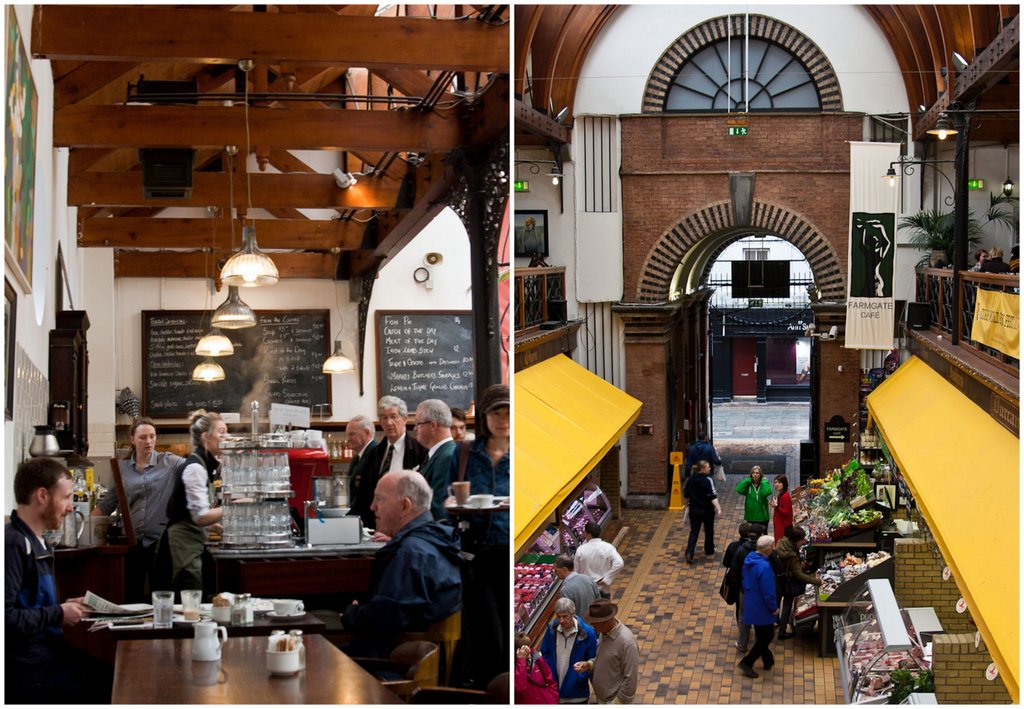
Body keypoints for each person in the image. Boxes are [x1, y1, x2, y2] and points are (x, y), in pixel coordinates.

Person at [5, 457, 113, 704]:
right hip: (30, 671)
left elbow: (30, 607)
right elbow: (6, 618)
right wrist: (58, 614)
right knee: (112, 685)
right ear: (42, 495)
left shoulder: (37, 541)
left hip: (50, 657)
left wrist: (64, 608)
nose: (69, 507)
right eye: (65, 498)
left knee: (115, 675)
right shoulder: (14, 544)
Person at [341, 470, 462, 658]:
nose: (372, 507)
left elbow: (385, 617)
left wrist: (352, 613)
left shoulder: (412, 554)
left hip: (389, 665)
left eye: (379, 500)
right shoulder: (431, 543)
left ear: (405, 506)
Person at [447, 383, 510, 689]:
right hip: (476, 558)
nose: (504, 419)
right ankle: (491, 692)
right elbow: (444, 501)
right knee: (489, 637)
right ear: (483, 417)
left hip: (512, 553)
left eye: (509, 412)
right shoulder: (464, 455)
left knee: (511, 638)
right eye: (496, 412)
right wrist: (457, 506)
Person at [92, 416, 183, 602]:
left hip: (160, 542)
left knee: (162, 595)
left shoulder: (170, 463)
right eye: (143, 437)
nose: (148, 441)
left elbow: (194, 468)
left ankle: (160, 631)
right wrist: (82, 523)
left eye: (152, 436)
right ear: (133, 439)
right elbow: (108, 503)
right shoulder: (120, 468)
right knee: (130, 595)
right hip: (132, 543)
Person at [161, 410, 225, 595]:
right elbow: (200, 516)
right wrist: (234, 507)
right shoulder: (195, 467)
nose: (226, 437)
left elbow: (190, 512)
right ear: (206, 437)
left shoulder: (204, 465)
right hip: (181, 548)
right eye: (221, 432)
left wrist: (215, 527)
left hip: (189, 545)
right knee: (188, 605)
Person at [351, 396, 427, 530]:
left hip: (408, 524)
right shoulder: (374, 453)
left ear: (404, 419)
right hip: (377, 525)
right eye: (384, 418)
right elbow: (364, 495)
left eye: (393, 416)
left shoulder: (420, 451)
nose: (389, 422)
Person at [573, 599, 639, 704]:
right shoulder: (604, 633)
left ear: (605, 622)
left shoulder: (627, 643)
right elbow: (603, 658)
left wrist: (617, 702)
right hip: (603, 699)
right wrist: (589, 664)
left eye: (594, 623)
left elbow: (630, 679)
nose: (592, 626)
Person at [540, 597, 599, 704]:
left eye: (565, 616)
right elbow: (545, 653)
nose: (561, 621)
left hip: (577, 695)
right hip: (554, 692)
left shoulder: (588, 634)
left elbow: (593, 660)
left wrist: (580, 675)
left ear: (573, 614)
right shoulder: (551, 630)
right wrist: (549, 674)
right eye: (558, 616)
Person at [737, 535, 780, 679]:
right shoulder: (765, 567)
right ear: (768, 549)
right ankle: (747, 662)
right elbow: (768, 591)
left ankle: (768, 659)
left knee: (762, 634)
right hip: (762, 606)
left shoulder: (750, 559)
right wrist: (774, 607)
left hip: (752, 602)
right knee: (767, 635)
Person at [723, 522, 764, 652]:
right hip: (759, 588)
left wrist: (738, 585)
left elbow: (730, 566)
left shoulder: (737, 548)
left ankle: (742, 642)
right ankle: (760, 643)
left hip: (744, 587)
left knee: (742, 613)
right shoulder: (765, 550)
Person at [413, 399, 456, 520]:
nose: (415, 428)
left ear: (433, 425)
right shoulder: (438, 454)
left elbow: (437, 507)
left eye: (418, 423)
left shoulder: (447, 457)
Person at [775, 526, 821, 639]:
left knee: (776, 602)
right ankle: (782, 632)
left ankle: (776, 621)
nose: (804, 542)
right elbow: (799, 575)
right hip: (787, 582)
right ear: (796, 540)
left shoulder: (782, 542)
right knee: (787, 605)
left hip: (777, 579)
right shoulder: (792, 556)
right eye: (802, 539)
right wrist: (817, 581)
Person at [682, 459, 721, 564]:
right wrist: (718, 508)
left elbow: (686, 495)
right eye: (708, 467)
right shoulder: (707, 480)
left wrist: (687, 507)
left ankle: (689, 552)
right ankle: (709, 549)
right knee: (709, 530)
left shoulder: (690, 480)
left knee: (694, 531)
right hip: (707, 510)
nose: (710, 468)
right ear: (702, 469)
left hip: (694, 510)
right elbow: (712, 496)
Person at [573, 521, 624, 599]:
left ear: (589, 534)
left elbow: (576, 571)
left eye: (584, 532)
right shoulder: (608, 547)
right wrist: (607, 579)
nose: (583, 534)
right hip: (603, 589)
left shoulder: (581, 550)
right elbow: (619, 563)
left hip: (586, 590)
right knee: (604, 610)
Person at [515, 632, 558, 704]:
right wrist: (521, 660)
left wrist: (553, 699)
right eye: (524, 649)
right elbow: (520, 687)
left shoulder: (537, 658)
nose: (528, 650)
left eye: (528, 646)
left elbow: (551, 680)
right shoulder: (515, 666)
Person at [344, 414, 378, 507]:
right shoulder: (357, 457)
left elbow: (368, 493)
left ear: (367, 433)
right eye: (347, 435)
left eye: (351, 434)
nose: (347, 439)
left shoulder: (376, 454)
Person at [769, 474, 793, 543]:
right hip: (780, 526)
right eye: (775, 482)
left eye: (779, 482)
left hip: (783, 527)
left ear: (784, 484)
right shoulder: (780, 495)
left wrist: (776, 506)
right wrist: (775, 506)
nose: (776, 484)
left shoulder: (785, 496)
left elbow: (786, 513)